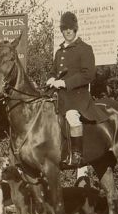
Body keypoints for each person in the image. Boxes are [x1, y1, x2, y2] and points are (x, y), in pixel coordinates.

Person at [46, 11, 108, 177]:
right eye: (64, 28)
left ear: (76, 29)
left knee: (72, 117)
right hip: (60, 96)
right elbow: (53, 71)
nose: (67, 31)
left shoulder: (85, 49)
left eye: (71, 29)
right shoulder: (59, 51)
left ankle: (77, 155)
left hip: (78, 97)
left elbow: (89, 75)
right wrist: (51, 78)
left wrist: (65, 83)